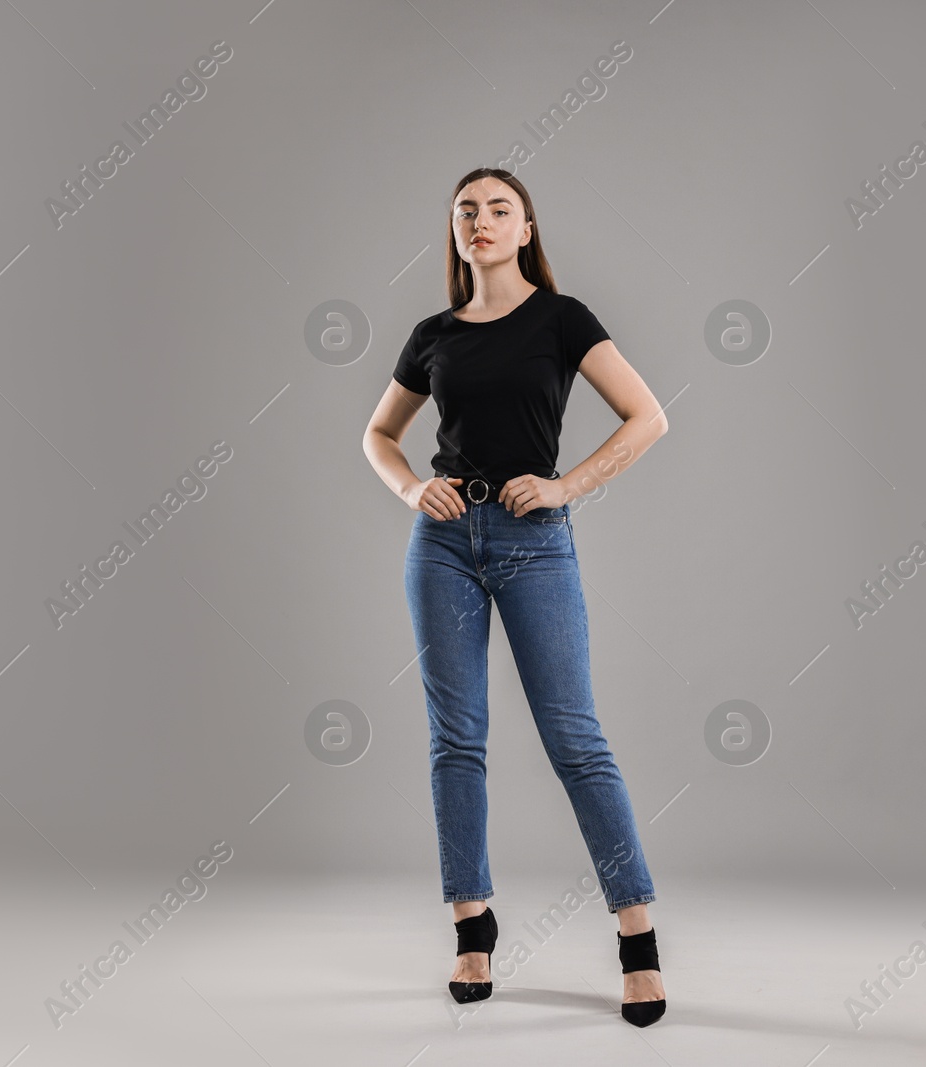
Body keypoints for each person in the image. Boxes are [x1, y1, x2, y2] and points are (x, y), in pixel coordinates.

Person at [361, 168, 670, 1026]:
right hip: (445, 545)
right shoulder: (433, 334)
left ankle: (637, 936)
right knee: (456, 739)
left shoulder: (562, 320)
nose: (482, 221)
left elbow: (647, 416)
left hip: (534, 542)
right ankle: (472, 922)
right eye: (468, 211)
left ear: (527, 227)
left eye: (500, 209)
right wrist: (408, 491)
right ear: (454, 232)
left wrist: (568, 486)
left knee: (575, 736)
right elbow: (379, 435)